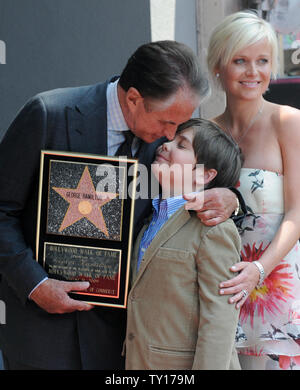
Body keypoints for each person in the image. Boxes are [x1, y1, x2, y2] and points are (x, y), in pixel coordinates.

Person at [0, 40, 241, 370]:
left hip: (120, 342)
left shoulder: (162, 147)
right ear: (133, 99)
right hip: (42, 333)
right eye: (167, 123)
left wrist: (230, 197)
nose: (171, 136)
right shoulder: (49, 114)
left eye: (179, 126)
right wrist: (35, 284)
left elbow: (195, 181)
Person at [205, 11, 300, 370]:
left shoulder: (287, 121)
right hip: (220, 287)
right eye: (240, 61)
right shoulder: (202, 132)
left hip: (276, 286)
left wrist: (259, 269)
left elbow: (298, 213)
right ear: (218, 65)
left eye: (262, 61)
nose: (253, 72)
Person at [125, 118, 243, 370]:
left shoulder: (214, 229)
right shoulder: (148, 220)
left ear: (205, 174)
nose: (165, 145)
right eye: (170, 139)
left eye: (181, 145)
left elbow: (220, 318)